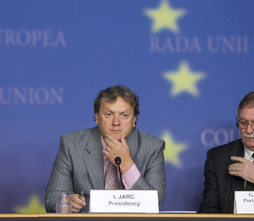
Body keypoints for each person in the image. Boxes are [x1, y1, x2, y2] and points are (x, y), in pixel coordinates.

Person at [45, 85, 166, 213]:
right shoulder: (71, 144)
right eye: (109, 114)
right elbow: (52, 199)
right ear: (97, 117)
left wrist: (127, 165)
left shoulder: (153, 147)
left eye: (124, 115)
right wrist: (68, 202)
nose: (116, 122)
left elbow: (154, 204)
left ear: (134, 119)